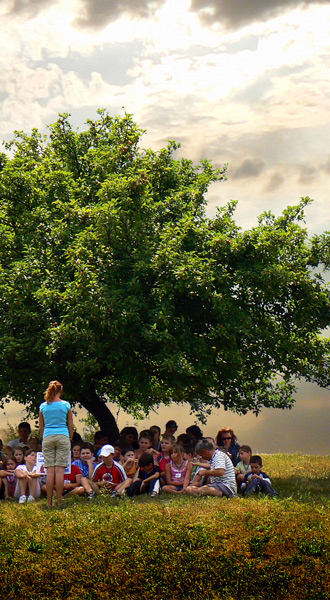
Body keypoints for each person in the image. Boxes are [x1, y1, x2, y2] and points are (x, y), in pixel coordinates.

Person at [39, 380, 74, 507]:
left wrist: (44, 437)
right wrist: (70, 436)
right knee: (59, 471)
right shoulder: (66, 405)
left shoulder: (43, 406)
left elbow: (41, 426)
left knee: (50, 471)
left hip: (48, 436)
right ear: (61, 391)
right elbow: (70, 424)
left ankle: (49, 502)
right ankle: (59, 501)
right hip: (63, 435)